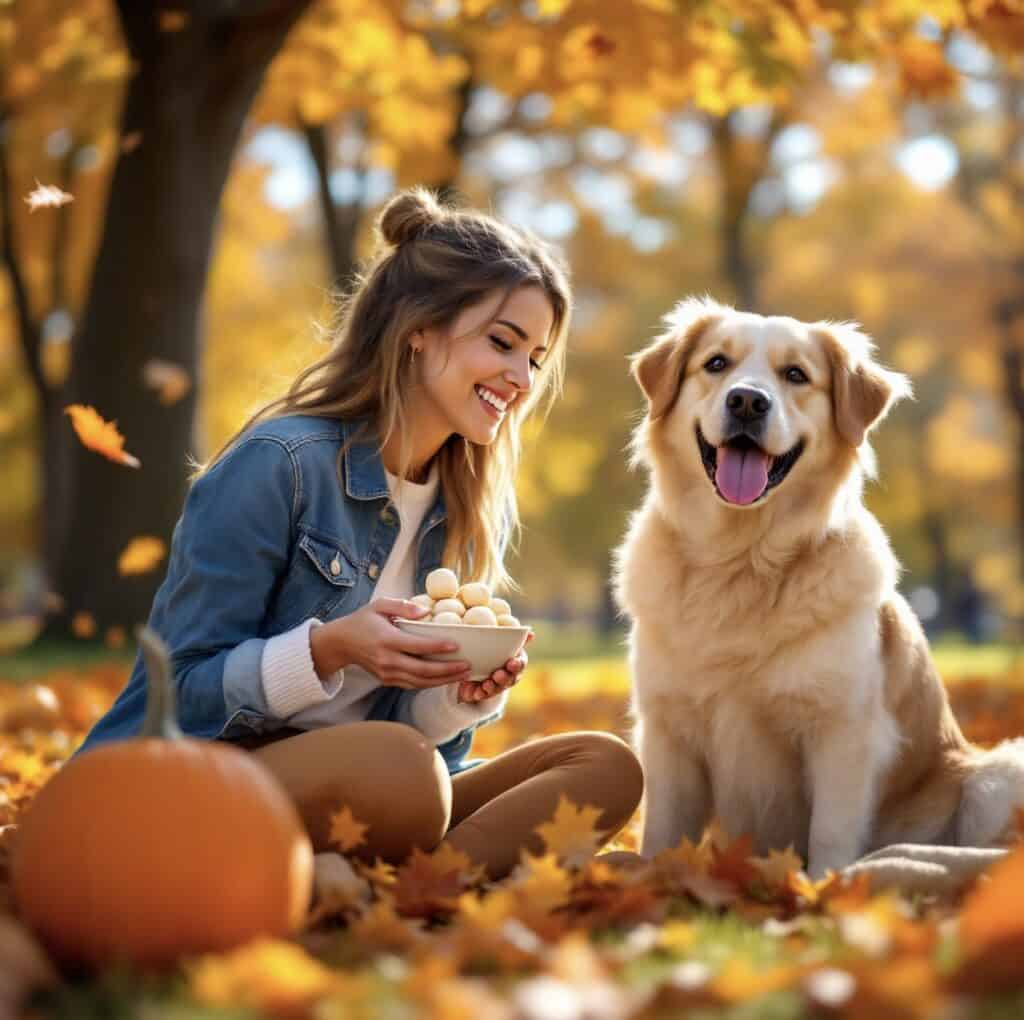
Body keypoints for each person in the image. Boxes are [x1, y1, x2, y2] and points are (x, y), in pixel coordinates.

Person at [76, 187, 643, 880]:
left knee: (604, 766)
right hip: (192, 780)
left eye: (535, 357)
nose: (521, 377)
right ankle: (371, 882)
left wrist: (457, 697)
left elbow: (422, 744)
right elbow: (181, 689)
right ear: (419, 328)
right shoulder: (281, 466)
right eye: (503, 343)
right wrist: (326, 650)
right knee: (403, 775)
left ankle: (394, 896)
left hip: (372, 788)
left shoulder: (465, 507)